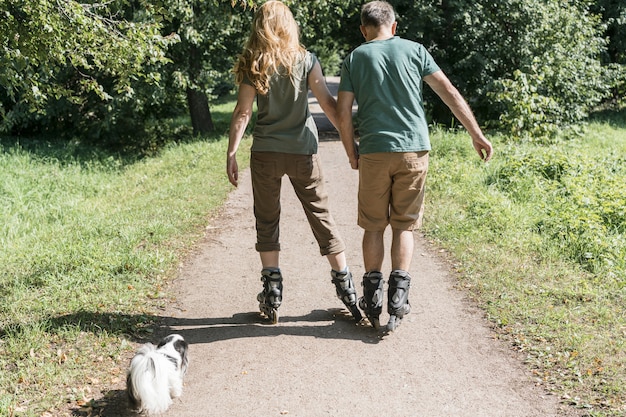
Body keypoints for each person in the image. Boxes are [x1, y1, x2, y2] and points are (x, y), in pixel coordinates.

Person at [337, 1, 493, 332]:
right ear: (393, 26)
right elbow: (448, 92)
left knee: (373, 226)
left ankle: (372, 298)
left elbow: (343, 111)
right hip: (414, 150)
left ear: (364, 29)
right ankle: (398, 299)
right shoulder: (415, 50)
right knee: (404, 226)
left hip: (375, 152)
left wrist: (351, 150)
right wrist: (476, 134)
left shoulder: (355, 58)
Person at [227, 0, 361, 324]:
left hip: (265, 153)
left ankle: (272, 293)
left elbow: (243, 112)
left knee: (267, 219)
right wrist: (349, 142)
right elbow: (328, 105)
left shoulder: (253, 64)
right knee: (322, 217)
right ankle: (347, 290)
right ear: (289, 25)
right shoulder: (305, 59)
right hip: (303, 151)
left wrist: (231, 153)